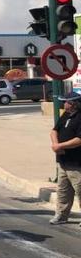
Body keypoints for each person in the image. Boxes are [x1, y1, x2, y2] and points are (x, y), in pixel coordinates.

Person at [49, 92, 81, 225]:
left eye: (66, 102)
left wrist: (61, 145)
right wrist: (56, 145)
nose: (64, 104)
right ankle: (61, 215)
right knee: (63, 191)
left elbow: (79, 139)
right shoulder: (65, 115)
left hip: (76, 162)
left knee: (80, 189)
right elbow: (54, 130)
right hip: (63, 161)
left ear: (73, 104)